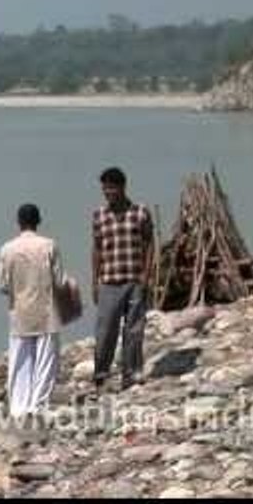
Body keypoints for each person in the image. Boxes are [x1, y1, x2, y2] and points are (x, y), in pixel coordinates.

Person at [0, 204, 67, 420]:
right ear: (38, 221)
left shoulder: (7, 249)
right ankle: (38, 406)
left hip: (20, 312)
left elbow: (2, 285)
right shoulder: (49, 246)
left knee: (20, 361)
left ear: (18, 222)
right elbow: (60, 281)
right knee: (45, 360)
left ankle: (18, 407)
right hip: (46, 311)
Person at [91, 167, 154, 392]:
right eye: (105, 189)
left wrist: (146, 276)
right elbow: (97, 249)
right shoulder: (99, 215)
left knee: (134, 330)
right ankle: (101, 373)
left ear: (122, 187)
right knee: (105, 330)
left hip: (135, 280)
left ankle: (132, 373)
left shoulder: (140, 212)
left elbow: (149, 244)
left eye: (112, 188)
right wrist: (94, 280)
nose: (108, 193)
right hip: (109, 281)